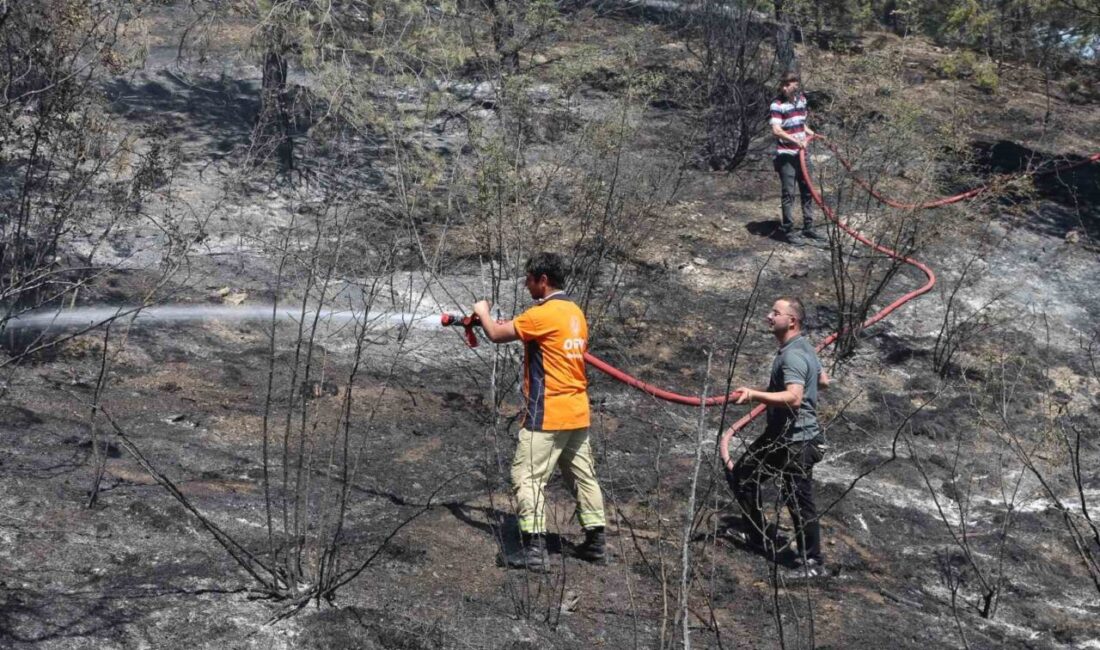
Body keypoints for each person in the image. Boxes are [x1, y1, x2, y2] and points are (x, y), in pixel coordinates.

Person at [473, 252, 607, 571]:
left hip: (548, 414)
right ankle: (596, 543)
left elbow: (495, 335)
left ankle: (533, 549)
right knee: (582, 475)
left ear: (543, 280)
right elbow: (536, 336)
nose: (526, 283)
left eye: (529, 278)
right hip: (577, 412)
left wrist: (482, 313)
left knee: (527, 476)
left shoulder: (542, 313)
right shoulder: (574, 312)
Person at [727, 297, 831, 577]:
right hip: (784, 437)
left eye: (776, 313)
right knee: (745, 475)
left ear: (792, 321)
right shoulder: (803, 347)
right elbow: (823, 381)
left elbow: (794, 398)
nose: (768, 316)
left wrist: (754, 394)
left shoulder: (793, 354)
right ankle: (759, 538)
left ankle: (813, 563)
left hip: (797, 441)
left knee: (798, 499)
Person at [770, 71, 823, 244]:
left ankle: (809, 226)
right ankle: (788, 229)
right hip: (787, 155)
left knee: (807, 190)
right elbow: (777, 130)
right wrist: (795, 141)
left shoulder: (801, 101)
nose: (787, 87)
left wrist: (813, 134)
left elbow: (801, 124)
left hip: (803, 154)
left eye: (791, 84)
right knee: (789, 193)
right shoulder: (777, 105)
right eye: (785, 85)